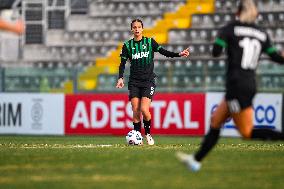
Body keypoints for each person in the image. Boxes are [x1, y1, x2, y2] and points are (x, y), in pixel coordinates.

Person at [176, 0, 284, 171]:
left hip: (236, 85)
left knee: (247, 132)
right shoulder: (261, 33)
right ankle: (195, 161)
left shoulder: (230, 28)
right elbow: (277, 57)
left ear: (238, 12)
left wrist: (222, 41)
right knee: (216, 120)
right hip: (249, 84)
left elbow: (216, 52)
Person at [116, 19, 190, 145]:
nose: (137, 29)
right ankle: (138, 137)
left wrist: (179, 54)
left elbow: (164, 52)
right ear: (132, 29)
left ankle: (148, 133)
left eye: (139, 27)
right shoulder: (127, 46)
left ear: (142, 29)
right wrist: (120, 78)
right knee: (135, 110)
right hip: (134, 81)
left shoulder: (150, 42)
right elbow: (122, 64)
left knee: (144, 110)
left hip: (148, 81)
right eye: (134, 27)